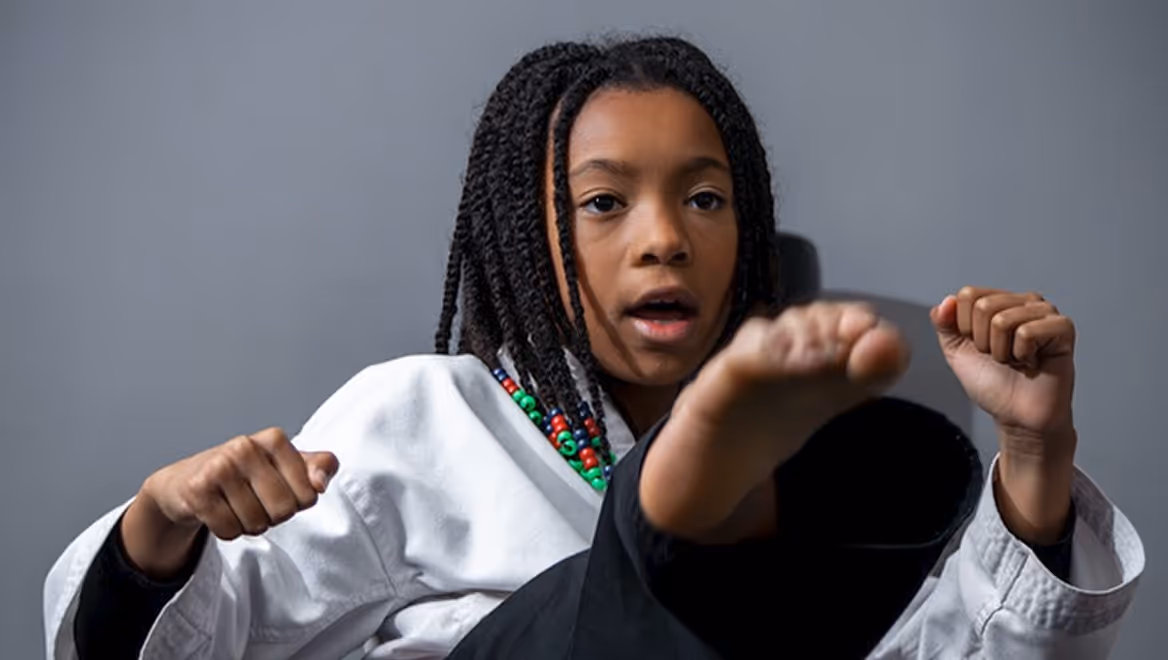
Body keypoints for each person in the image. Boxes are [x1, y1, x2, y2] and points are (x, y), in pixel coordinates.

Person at [43, 37, 1142, 659]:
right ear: (530, 241)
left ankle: (687, 531)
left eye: (704, 199)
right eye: (605, 203)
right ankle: (670, 528)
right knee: (554, 626)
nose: (665, 239)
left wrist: (1033, 455)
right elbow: (179, 644)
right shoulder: (422, 418)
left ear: (747, 229)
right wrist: (159, 528)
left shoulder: (819, 479)